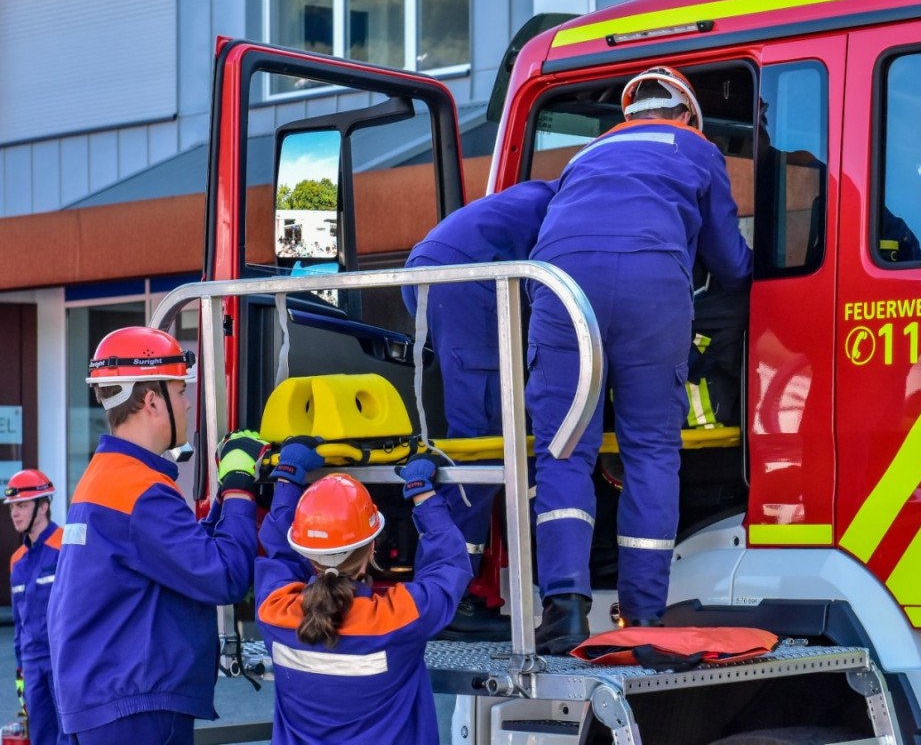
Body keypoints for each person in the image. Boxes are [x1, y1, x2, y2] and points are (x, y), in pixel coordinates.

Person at [527, 65, 753, 653]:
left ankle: (565, 611)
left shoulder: (585, 156)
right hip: (652, 288)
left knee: (562, 451)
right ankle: (645, 616)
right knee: (651, 450)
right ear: (686, 115)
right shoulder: (697, 150)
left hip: (559, 284)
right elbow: (730, 263)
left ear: (628, 115)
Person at [47, 326, 262, 744]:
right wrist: (238, 487)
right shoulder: (142, 492)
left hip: (101, 702)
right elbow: (224, 577)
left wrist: (224, 503)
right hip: (135, 706)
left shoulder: (106, 477)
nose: (185, 403)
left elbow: (177, 555)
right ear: (151, 401)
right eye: (180, 391)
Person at [401, 179, 556, 640]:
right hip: (461, 279)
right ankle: (449, 598)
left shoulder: (552, 194)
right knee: (483, 441)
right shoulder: (576, 202)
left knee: (503, 439)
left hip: (452, 274)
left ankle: (463, 587)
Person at [255, 445, 471, 745]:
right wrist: (422, 494)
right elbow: (447, 567)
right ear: (372, 548)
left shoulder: (275, 614)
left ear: (307, 554)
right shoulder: (395, 618)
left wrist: (287, 480)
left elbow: (278, 555)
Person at [6, 470, 66, 745]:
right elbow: (19, 623)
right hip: (31, 666)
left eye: (22, 505)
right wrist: (21, 676)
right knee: (40, 737)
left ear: (43, 506)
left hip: (62, 661)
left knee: (69, 736)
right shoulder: (16, 561)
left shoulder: (66, 547)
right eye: (13, 507)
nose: (14, 514)